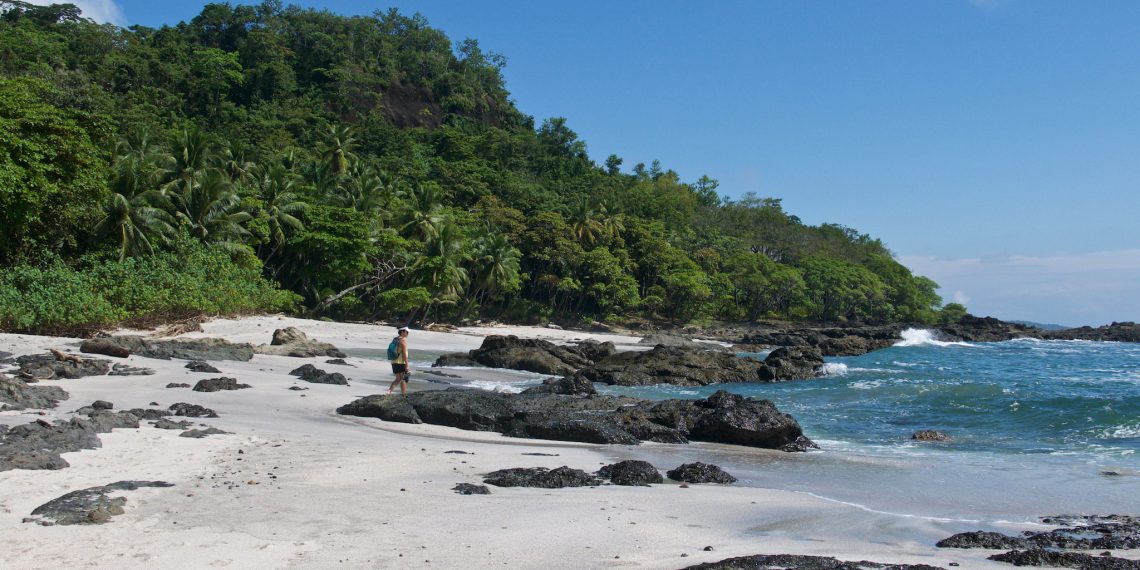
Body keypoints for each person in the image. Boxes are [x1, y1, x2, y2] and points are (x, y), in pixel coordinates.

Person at [386, 326, 410, 395]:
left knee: (398, 379)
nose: (407, 333)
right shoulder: (403, 341)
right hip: (401, 362)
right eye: (406, 332)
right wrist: (407, 365)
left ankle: (389, 391)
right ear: (402, 332)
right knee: (404, 379)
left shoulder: (395, 339)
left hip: (394, 362)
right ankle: (404, 395)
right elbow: (404, 354)